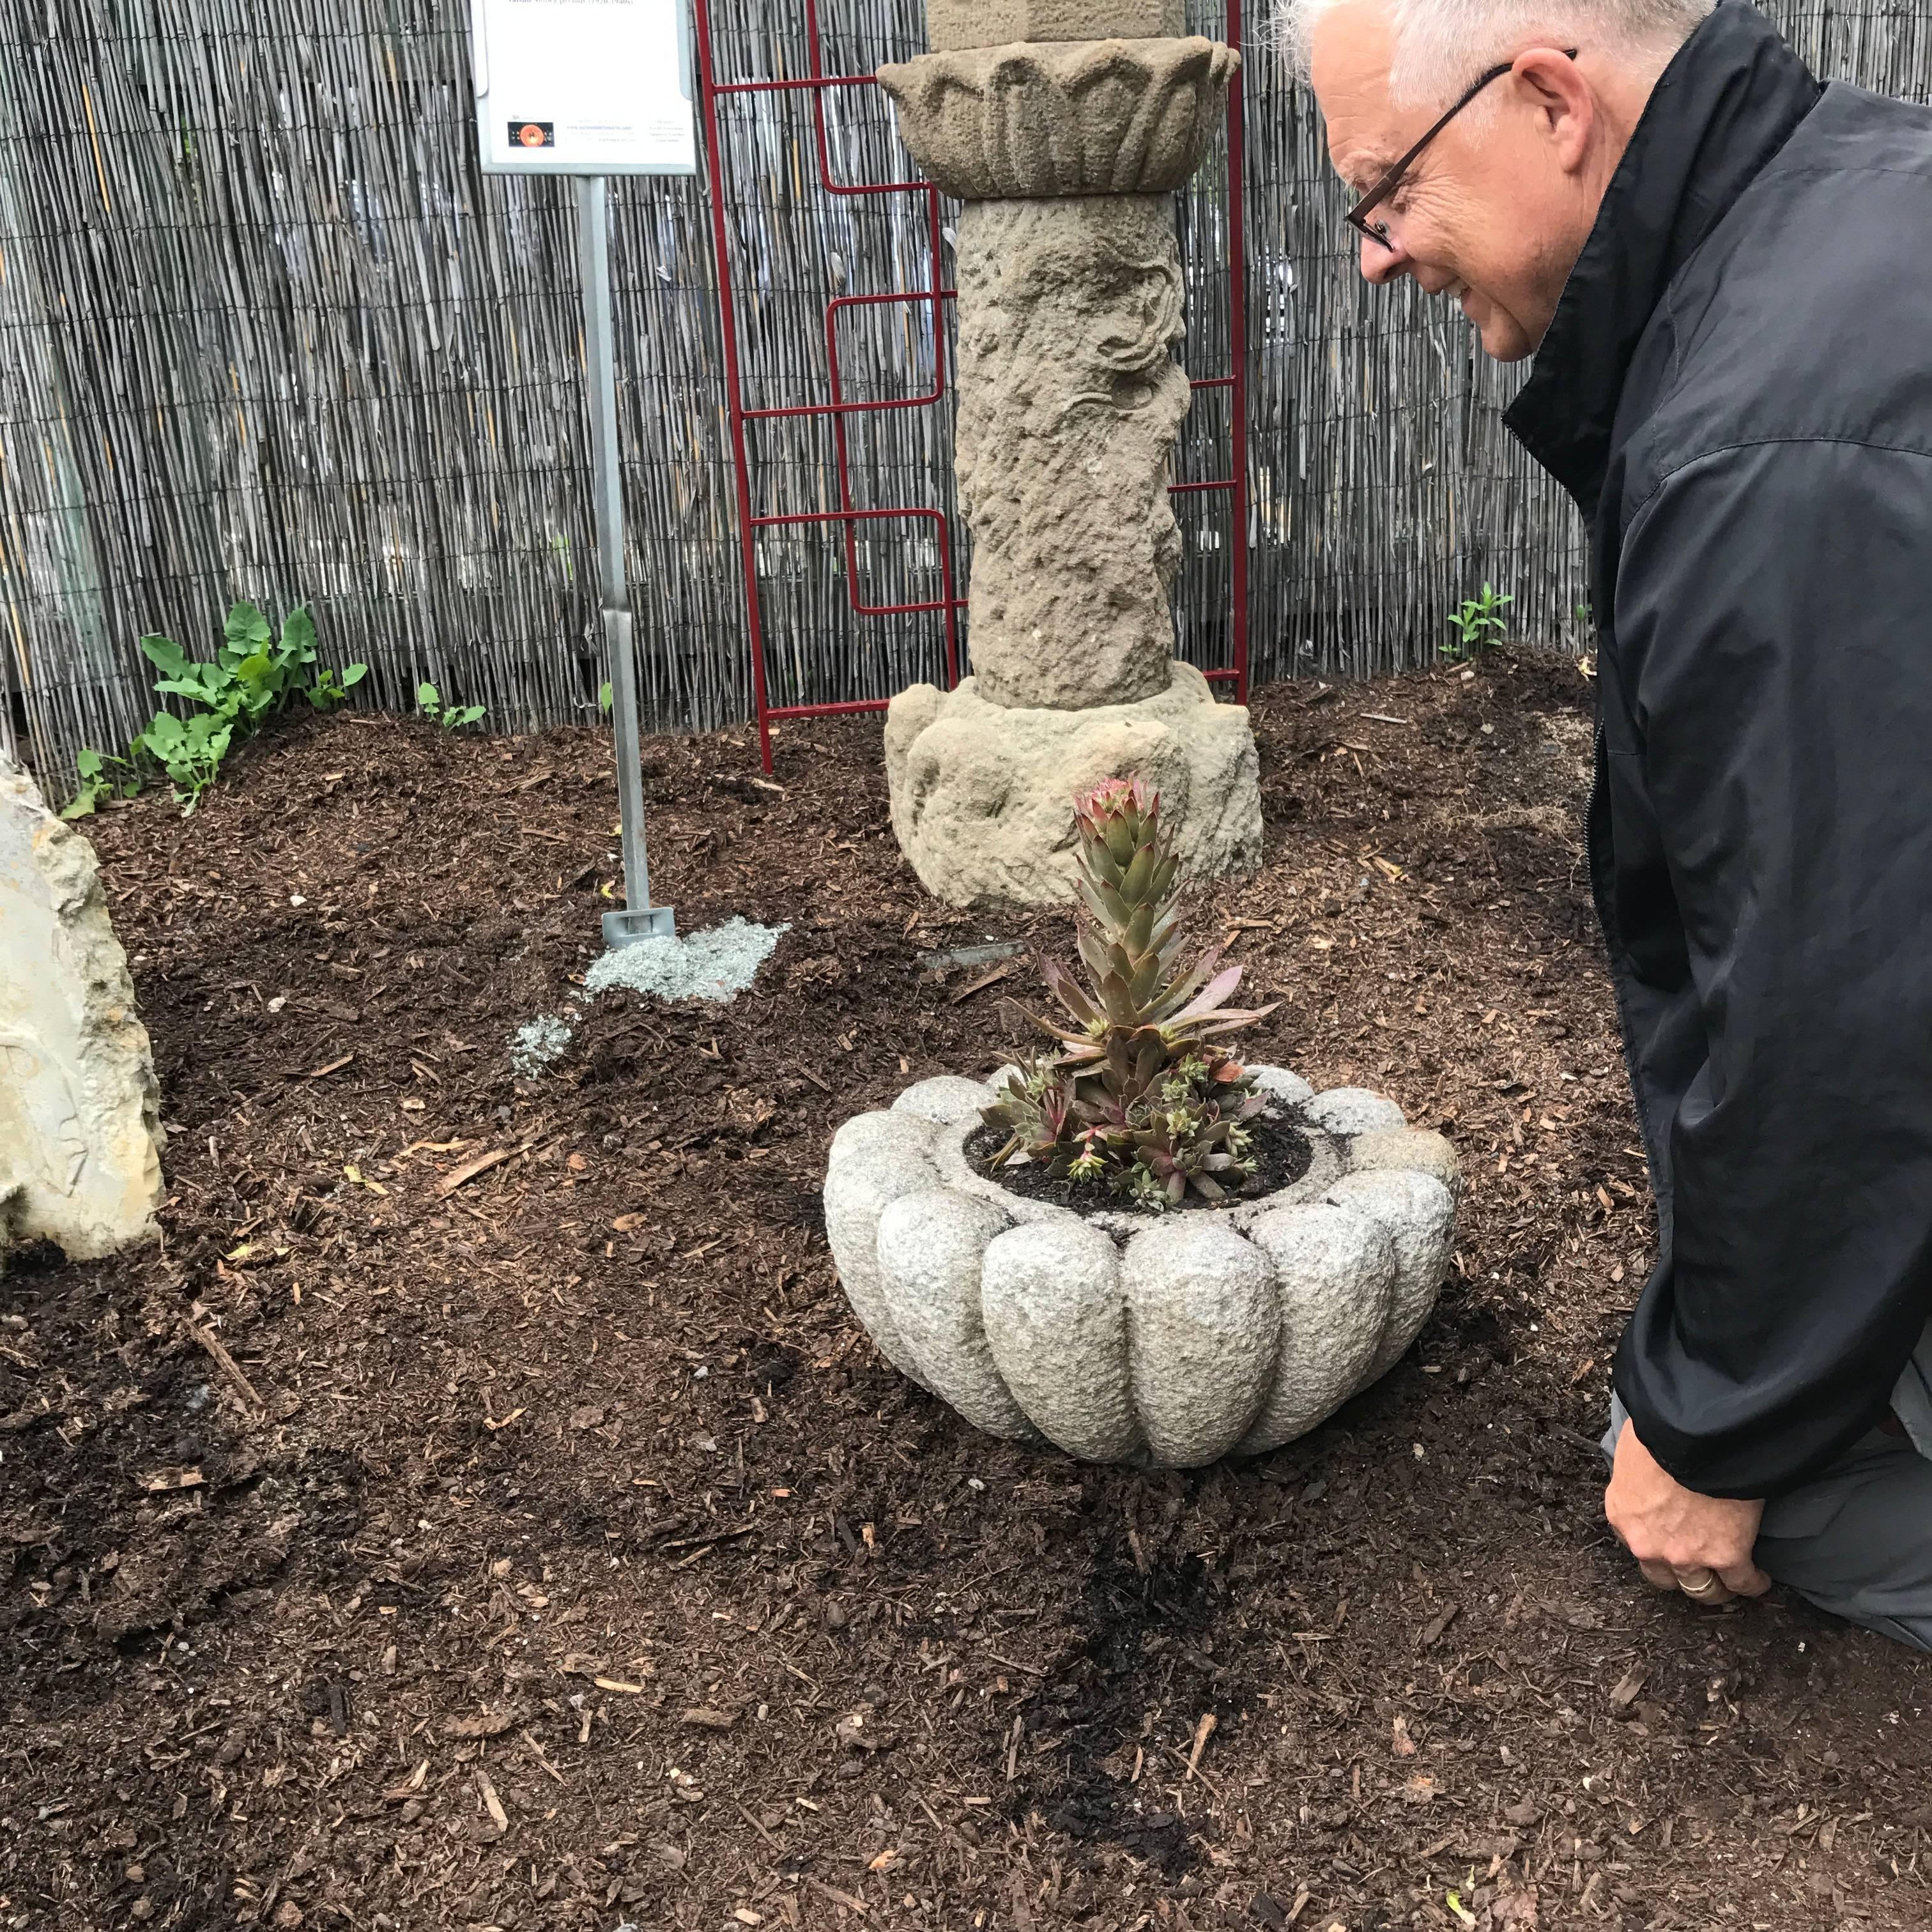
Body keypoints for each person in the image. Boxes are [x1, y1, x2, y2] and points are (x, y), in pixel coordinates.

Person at [1289, 0, 1932, 1649]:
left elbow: (1843, 1017)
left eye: (1388, 190)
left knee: (1781, 1506)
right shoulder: (1852, 207)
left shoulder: (1763, 457)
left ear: (1553, 105)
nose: (1373, 254)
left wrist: (1717, 1419)